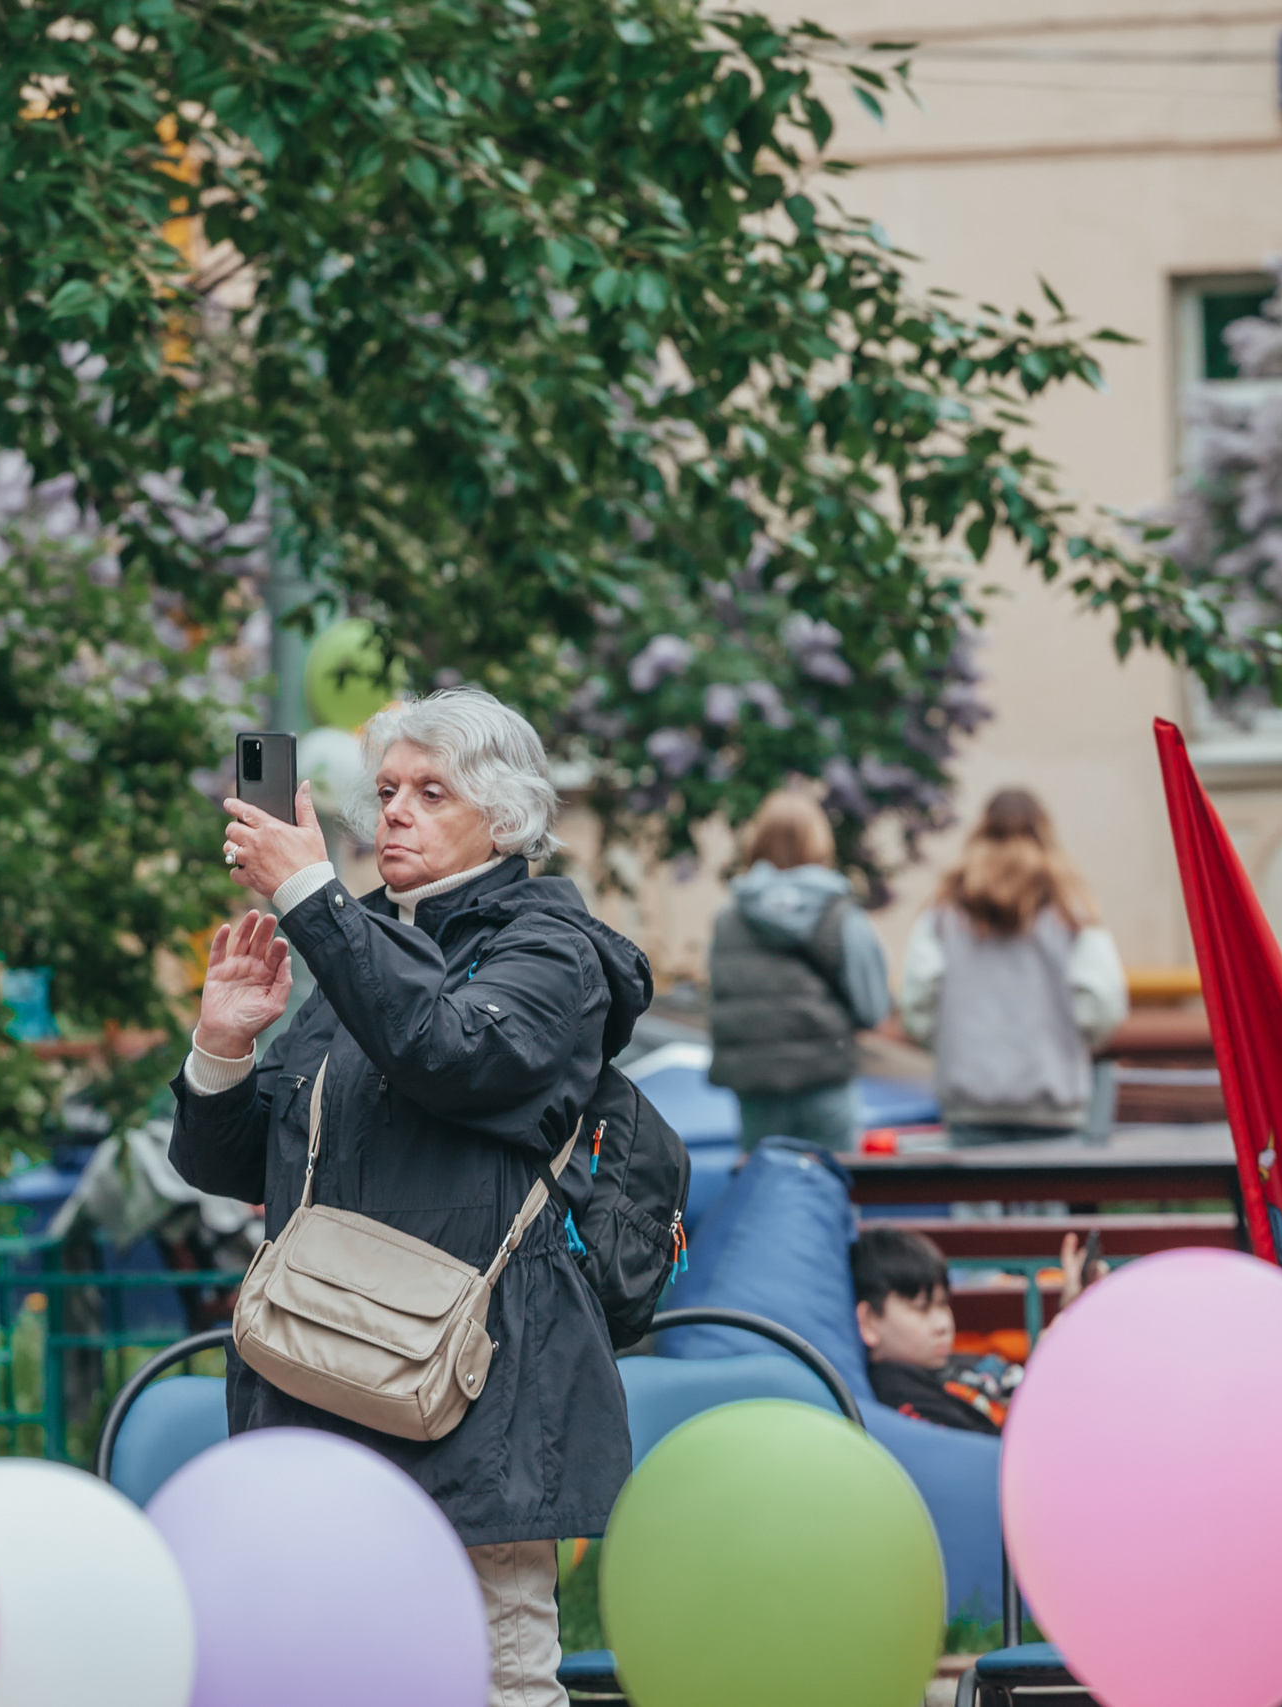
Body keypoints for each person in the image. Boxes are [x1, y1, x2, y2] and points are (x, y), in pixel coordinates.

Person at [173, 687, 641, 1707]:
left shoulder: (553, 952)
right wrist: (221, 1048)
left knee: (493, 1678)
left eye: (432, 792)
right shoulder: (360, 951)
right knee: (327, 1678)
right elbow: (238, 1166)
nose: (394, 811)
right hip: (313, 1375)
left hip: (469, 1397)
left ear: (507, 819)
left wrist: (311, 897)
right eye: (386, 789)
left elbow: (451, 1054)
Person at [901, 788, 1129, 1145]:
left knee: (974, 1199)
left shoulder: (944, 912)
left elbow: (917, 995)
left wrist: (953, 1041)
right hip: (1053, 1103)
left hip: (969, 1101)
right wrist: (1066, 1042)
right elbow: (1101, 1001)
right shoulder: (1071, 911)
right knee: (1049, 1199)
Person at [706, 791, 892, 1152]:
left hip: (756, 1089)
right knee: (830, 1194)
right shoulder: (841, 916)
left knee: (766, 1194)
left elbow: (719, 1001)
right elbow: (873, 1009)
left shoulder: (728, 920)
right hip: (825, 1083)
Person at [852, 1225, 1097, 1434]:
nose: (943, 1324)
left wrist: (1073, 1313)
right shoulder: (903, 1400)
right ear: (870, 1322)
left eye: (943, 1304)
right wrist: (1055, 1357)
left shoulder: (944, 1365)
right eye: (922, 1308)